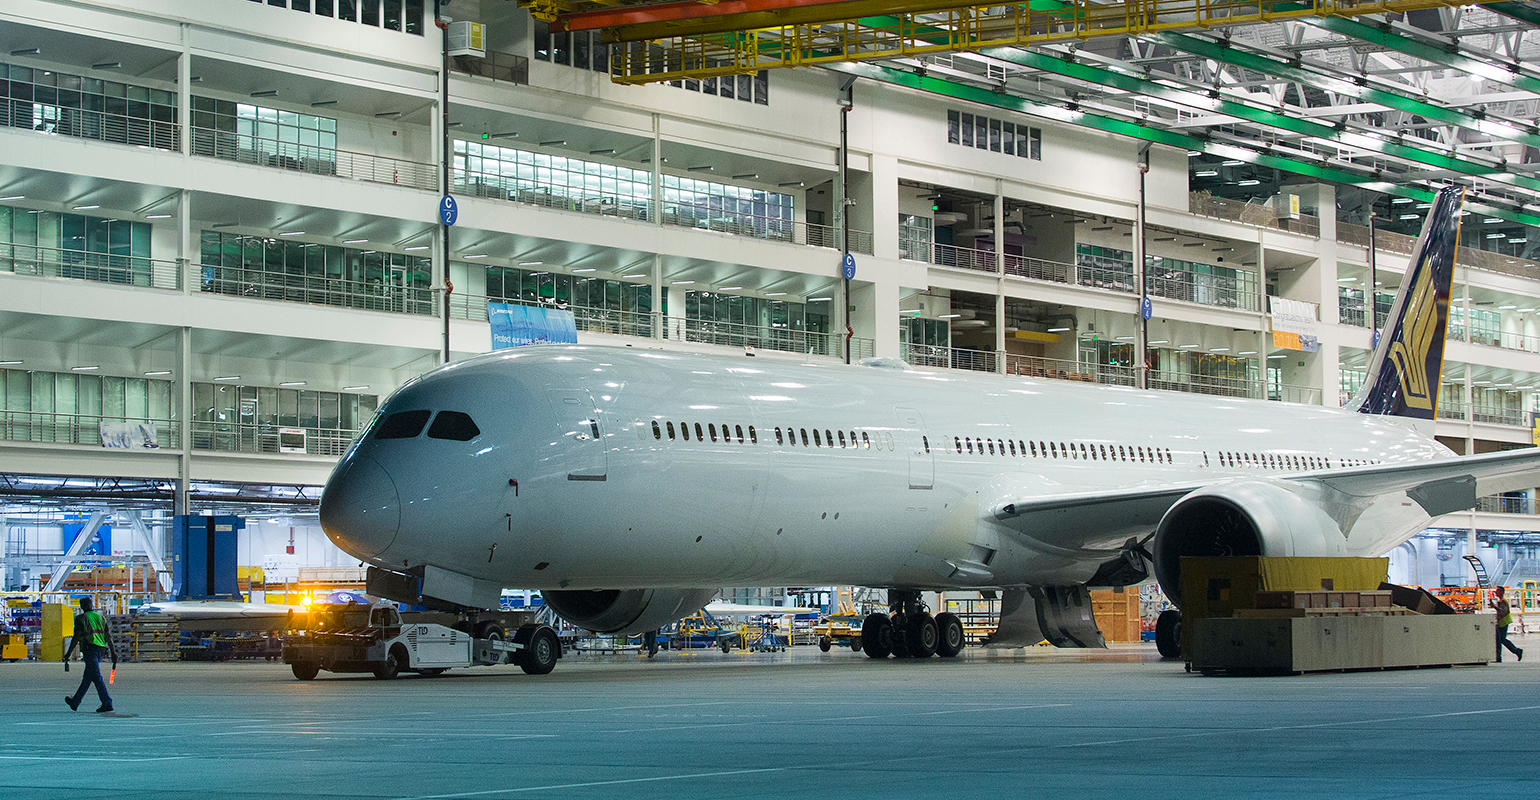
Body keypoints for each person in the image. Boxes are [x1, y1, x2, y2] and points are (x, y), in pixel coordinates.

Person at [63, 597, 117, 712]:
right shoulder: (101, 617)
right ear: (92, 605)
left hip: (90, 649)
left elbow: (76, 638)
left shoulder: (81, 619)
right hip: (100, 649)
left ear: (81, 607)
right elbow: (108, 637)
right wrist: (113, 652)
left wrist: (68, 653)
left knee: (96, 676)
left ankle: (107, 702)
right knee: (88, 677)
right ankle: (75, 701)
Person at [1493, 586, 1523, 664]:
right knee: (1500, 640)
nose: (1495, 593)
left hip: (1503, 622)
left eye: (1497, 591)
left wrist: (1495, 607)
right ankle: (1500, 656)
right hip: (1503, 622)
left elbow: (1503, 611)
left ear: (1501, 592)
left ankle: (1515, 651)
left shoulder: (1502, 601)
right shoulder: (1502, 600)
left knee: (1500, 639)